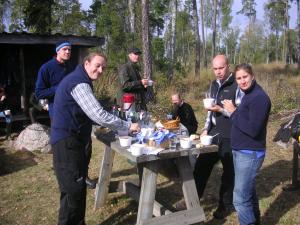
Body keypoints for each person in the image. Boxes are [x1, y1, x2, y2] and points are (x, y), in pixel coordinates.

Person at [51, 52, 140, 225]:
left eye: (103, 68)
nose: (100, 70)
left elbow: (85, 111)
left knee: (74, 190)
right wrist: (127, 126)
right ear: (86, 63)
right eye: (97, 65)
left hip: (73, 141)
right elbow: (98, 114)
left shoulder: (80, 80)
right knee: (73, 192)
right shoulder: (79, 82)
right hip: (67, 142)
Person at [223, 63, 271, 225]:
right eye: (239, 78)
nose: (242, 81)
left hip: (249, 153)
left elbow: (253, 129)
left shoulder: (259, 98)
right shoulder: (248, 95)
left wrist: (233, 112)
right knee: (248, 193)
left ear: (252, 76)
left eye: (245, 77)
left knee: (240, 200)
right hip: (242, 151)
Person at [193, 54, 237, 219]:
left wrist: (222, 110)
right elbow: (210, 111)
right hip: (213, 135)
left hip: (230, 135)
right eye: (215, 68)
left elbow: (239, 113)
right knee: (200, 167)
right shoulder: (213, 84)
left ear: (228, 66)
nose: (218, 72)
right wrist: (205, 128)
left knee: (229, 173)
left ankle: (225, 206)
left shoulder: (237, 84)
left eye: (221, 67)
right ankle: (192, 200)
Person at [35, 40, 73, 119]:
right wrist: (58, 88)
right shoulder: (46, 68)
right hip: (57, 112)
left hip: (72, 110)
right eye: (65, 49)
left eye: (69, 49)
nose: (68, 51)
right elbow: (39, 93)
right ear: (58, 51)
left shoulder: (71, 67)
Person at [118, 47, 151, 112]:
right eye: (135, 54)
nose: (137, 56)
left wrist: (144, 86)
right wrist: (140, 82)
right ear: (129, 55)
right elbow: (125, 86)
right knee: (131, 121)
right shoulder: (125, 68)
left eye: (138, 54)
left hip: (138, 105)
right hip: (129, 106)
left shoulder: (135, 68)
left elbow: (136, 87)